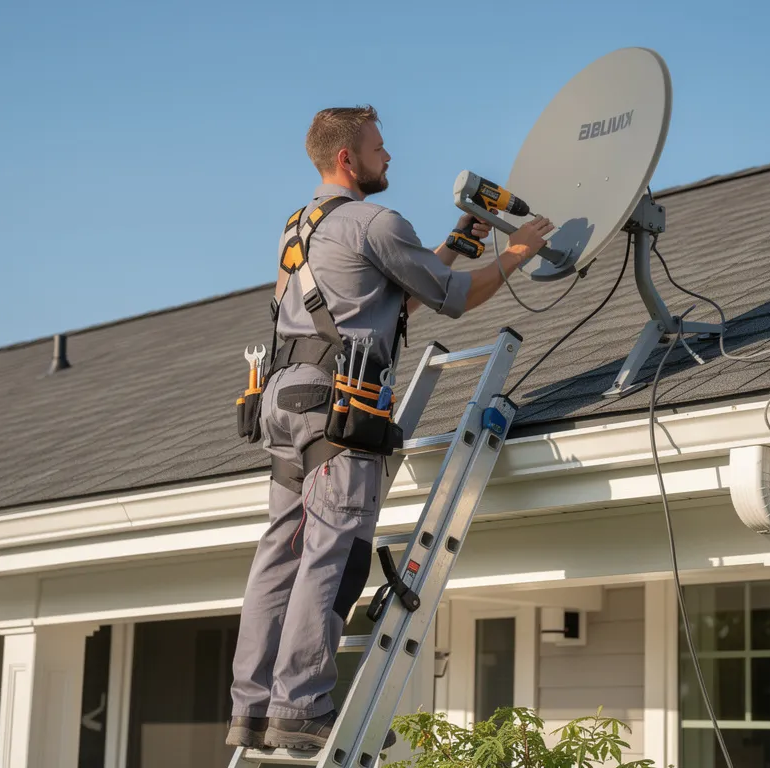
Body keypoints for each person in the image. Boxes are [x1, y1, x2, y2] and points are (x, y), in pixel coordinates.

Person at [227, 105, 554, 751]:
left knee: (278, 559)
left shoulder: (300, 227)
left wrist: (452, 247)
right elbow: (454, 298)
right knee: (331, 556)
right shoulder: (378, 221)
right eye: (380, 147)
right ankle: (301, 707)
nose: (389, 157)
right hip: (338, 408)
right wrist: (516, 252)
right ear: (348, 158)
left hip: (285, 400)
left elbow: (384, 296)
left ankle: (253, 708)